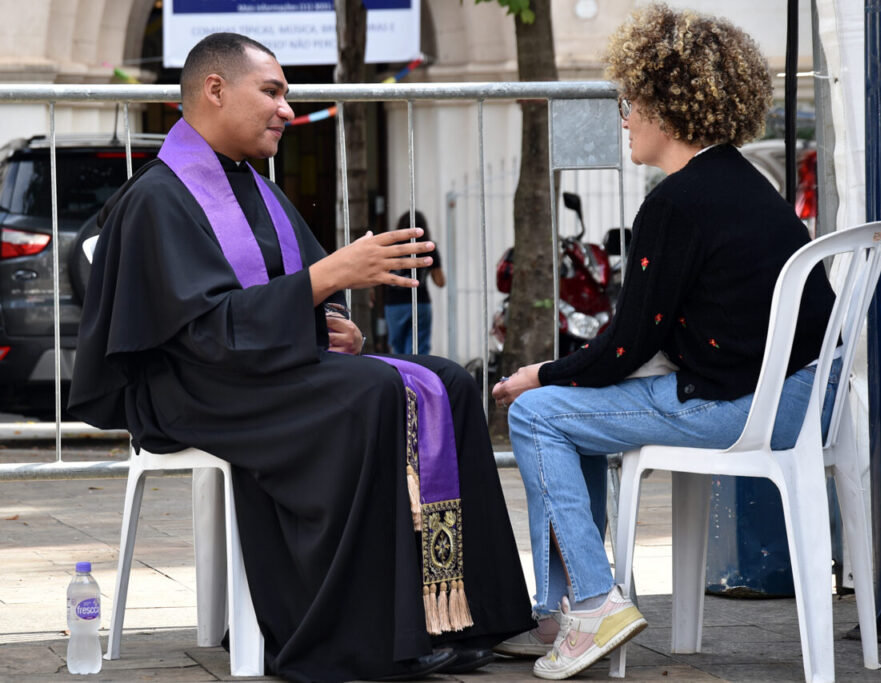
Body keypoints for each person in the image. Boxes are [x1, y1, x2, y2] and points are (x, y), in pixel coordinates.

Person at [69, 32, 533, 682]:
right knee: (373, 396)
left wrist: (336, 327)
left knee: (447, 381)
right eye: (273, 92)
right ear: (214, 89)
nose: (288, 109)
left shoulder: (255, 188)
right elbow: (204, 333)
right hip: (193, 387)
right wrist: (328, 280)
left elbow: (287, 298)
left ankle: (458, 611)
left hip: (251, 369)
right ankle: (355, 634)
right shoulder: (158, 198)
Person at [491, 5, 838, 680]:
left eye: (630, 101)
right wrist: (564, 374)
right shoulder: (744, 181)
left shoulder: (675, 203)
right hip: (801, 400)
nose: (623, 117)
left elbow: (624, 346)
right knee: (566, 407)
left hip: (740, 407)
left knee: (537, 412)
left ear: (665, 105)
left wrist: (540, 372)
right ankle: (559, 612)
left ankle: (588, 603)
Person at [383, 210, 446, 354]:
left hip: (394, 304)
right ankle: (417, 375)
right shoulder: (428, 248)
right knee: (419, 348)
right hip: (420, 302)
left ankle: (400, 375)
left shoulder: (391, 248)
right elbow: (440, 282)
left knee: (397, 348)